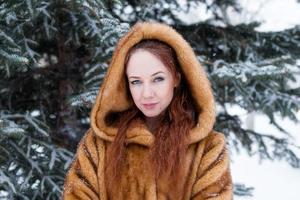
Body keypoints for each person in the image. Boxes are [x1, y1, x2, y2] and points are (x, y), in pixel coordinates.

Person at [62, 21, 233, 200]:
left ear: (176, 78)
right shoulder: (97, 144)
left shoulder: (209, 147)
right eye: (136, 81)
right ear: (126, 84)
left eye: (158, 79)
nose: (147, 94)